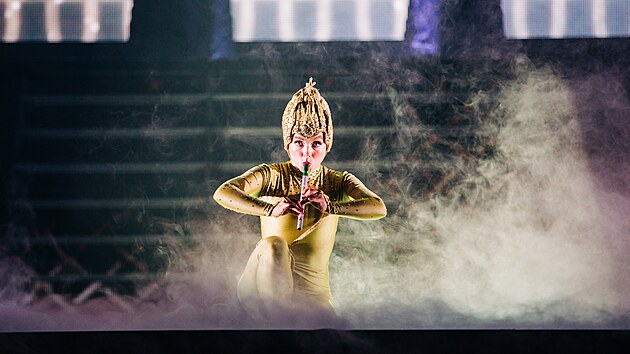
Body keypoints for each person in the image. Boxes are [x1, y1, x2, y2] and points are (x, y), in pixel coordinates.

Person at [213, 78, 386, 324]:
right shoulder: (271, 175)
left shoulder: (338, 182)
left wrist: (332, 206)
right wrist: (270, 208)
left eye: (315, 143)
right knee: (274, 245)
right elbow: (223, 192)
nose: (306, 152)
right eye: (299, 143)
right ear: (287, 145)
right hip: (260, 290)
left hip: (312, 298)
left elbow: (378, 207)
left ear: (327, 146)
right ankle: (282, 329)